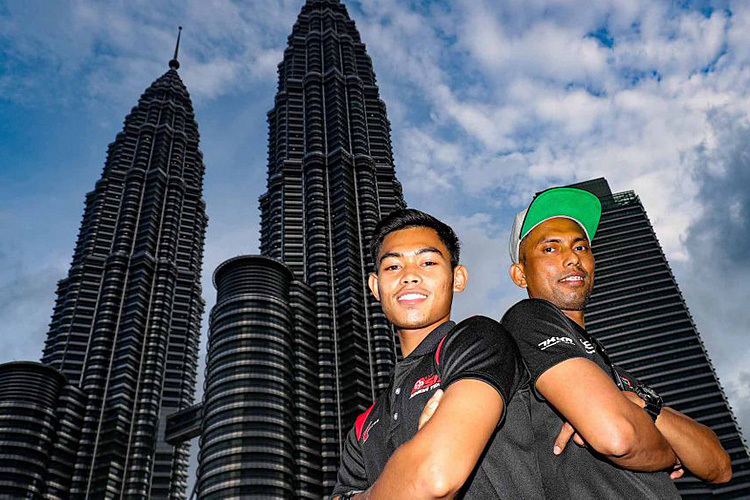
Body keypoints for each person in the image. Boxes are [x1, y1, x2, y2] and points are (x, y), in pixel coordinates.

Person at [498, 186, 732, 497]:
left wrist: (644, 408)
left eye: (581, 247)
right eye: (550, 249)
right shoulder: (529, 319)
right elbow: (617, 438)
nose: (572, 259)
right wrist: (669, 452)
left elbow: (718, 466)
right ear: (520, 274)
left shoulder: (612, 372)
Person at [331, 209, 540, 499]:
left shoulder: (478, 339)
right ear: (375, 286)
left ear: (458, 278)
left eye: (428, 262)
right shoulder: (363, 425)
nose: (409, 276)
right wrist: (414, 463)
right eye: (393, 267)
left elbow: (435, 477)